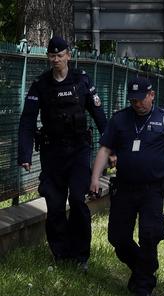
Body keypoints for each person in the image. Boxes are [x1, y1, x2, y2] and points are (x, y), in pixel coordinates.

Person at [89, 77, 164, 296]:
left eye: (142, 99)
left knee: (149, 235)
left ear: (151, 95)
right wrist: (95, 178)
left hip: (152, 189)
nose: (138, 104)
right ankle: (145, 268)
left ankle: (143, 285)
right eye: (133, 100)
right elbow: (105, 150)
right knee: (118, 238)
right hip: (124, 188)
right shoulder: (120, 120)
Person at [17, 36, 107, 270]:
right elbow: (27, 120)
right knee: (55, 204)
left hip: (78, 150)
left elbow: (99, 116)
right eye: (52, 56)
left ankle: (81, 256)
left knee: (77, 199)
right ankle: (60, 253)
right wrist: (25, 154)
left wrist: (111, 148)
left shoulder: (82, 81)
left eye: (60, 55)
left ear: (68, 55)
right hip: (52, 152)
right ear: (48, 57)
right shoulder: (41, 84)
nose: (56, 60)